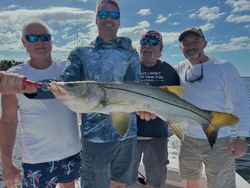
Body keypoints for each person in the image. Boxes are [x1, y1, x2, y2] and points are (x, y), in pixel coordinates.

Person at [0, 20, 81, 188]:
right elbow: (8, 122)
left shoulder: (68, 69)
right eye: (32, 37)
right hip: (37, 160)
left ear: (51, 40)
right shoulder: (13, 76)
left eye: (45, 37)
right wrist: (7, 163)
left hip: (71, 153)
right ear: (24, 42)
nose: (39, 42)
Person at [175, 27, 250, 188]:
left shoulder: (224, 67)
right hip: (188, 138)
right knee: (191, 179)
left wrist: (242, 138)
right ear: (180, 47)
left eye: (195, 41)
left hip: (219, 140)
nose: (191, 45)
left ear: (205, 43)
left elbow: (241, 102)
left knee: (221, 184)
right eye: (185, 43)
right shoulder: (180, 67)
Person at [136, 30, 180, 188]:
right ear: (140, 47)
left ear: (161, 50)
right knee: (124, 181)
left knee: (155, 182)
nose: (148, 46)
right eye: (144, 42)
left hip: (157, 138)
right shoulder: (129, 68)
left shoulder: (169, 72)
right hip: (129, 138)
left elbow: (177, 103)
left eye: (154, 43)